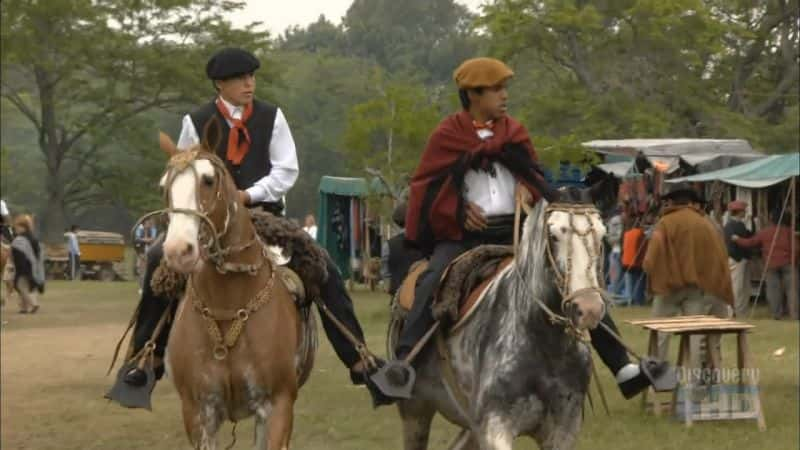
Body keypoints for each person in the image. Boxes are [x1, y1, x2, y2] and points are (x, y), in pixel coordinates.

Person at [386, 57, 663, 400]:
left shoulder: (514, 133)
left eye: (505, 88)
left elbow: (536, 178)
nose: (504, 96)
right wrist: (456, 210)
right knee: (433, 278)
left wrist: (527, 189)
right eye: (496, 89)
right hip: (463, 236)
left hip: (515, 231)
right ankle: (404, 364)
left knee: (575, 279)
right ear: (473, 94)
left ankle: (622, 367)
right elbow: (426, 188)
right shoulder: (447, 135)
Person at [118, 48, 381, 402]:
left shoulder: (272, 117)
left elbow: (286, 170)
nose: (249, 84)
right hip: (207, 219)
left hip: (265, 215)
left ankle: (359, 358)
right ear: (220, 84)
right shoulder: (195, 121)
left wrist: (248, 195)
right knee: (156, 259)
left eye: (252, 77)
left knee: (323, 265)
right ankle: (146, 359)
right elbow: (183, 167)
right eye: (241, 78)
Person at [643, 183, 733, 369]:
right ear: (692, 203)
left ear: (672, 202)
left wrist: (653, 274)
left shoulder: (665, 223)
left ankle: (657, 380)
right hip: (697, 289)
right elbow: (719, 256)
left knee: (660, 334)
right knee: (696, 336)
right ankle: (695, 385)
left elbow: (650, 259)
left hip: (668, 288)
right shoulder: (707, 223)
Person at [733, 209, 799, 320]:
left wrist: (737, 239)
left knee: (773, 290)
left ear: (771, 220)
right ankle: (795, 314)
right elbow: (796, 248)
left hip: (771, 264)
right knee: (792, 290)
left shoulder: (765, 232)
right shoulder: (789, 231)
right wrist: (794, 261)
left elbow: (751, 242)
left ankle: (776, 314)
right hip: (788, 263)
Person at [724, 201, 754, 317]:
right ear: (739, 212)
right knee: (736, 287)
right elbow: (731, 242)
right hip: (736, 259)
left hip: (742, 259)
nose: (745, 212)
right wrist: (738, 258)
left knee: (744, 288)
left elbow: (750, 235)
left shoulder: (740, 224)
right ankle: (730, 312)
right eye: (744, 210)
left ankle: (741, 311)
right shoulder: (730, 225)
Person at [10, 214, 45, 314]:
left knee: (21, 286)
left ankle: (33, 304)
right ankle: (24, 308)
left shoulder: (20, 239)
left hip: (24, 267)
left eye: (16, 227)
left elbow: (18, 256)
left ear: (22, 227)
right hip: (34, 267)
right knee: (27, 286)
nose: (15, 229)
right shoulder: (33, 238)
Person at [621, 223, 648, 305]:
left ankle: (630, 300)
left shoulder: (627, 233)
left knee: (630, 284)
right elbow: (642, 250)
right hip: (636, 263)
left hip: (626, 262)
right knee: (639, 283)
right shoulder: (641, 234)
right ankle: (638, 301)